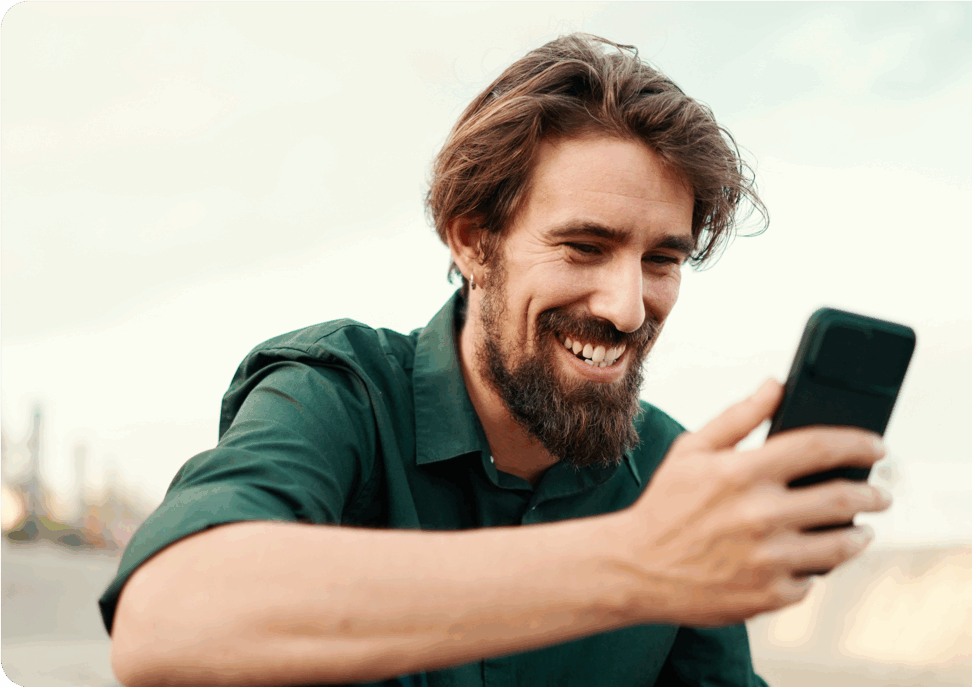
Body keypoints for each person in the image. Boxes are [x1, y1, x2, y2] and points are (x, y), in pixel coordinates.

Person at [102, 34, 892, 687]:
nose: (627, 307)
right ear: (473, 241)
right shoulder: (338, 394)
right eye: (584, 246)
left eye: (661, 259)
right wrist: (637, 559)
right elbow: (165, 621)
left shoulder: (672, 475)